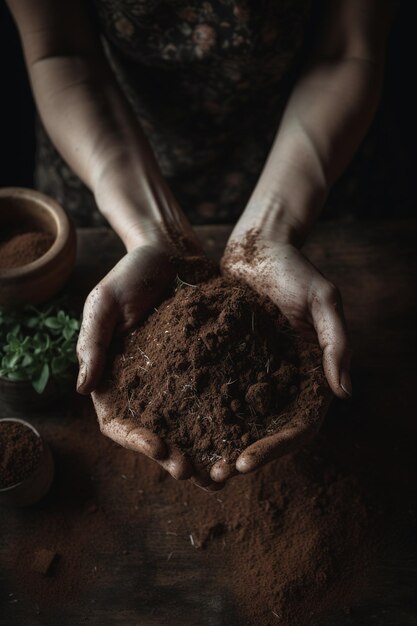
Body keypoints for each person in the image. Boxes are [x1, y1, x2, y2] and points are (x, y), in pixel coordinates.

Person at [7, 0, 396, 488]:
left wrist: (270, 230)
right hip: (110, 150)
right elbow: (61, 53)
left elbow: (345, 50)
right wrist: (153, 232)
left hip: (303, 151)